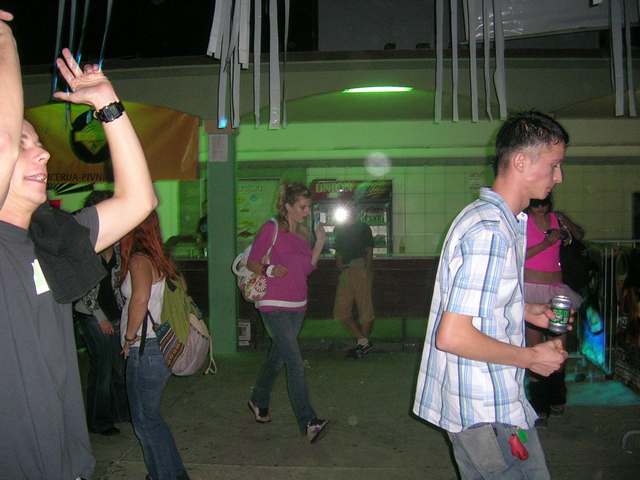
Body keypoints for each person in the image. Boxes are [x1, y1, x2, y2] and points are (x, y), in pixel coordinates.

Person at [0, 10, 157, 479]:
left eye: (38, 143)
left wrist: (108, 105)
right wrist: (5, 39)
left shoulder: (53, 236)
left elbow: (139, 200)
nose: (43, 152)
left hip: (68, 464)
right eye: (26, 143)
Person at [412, 111, 570, 479]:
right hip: (485, 409)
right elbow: (453, 336)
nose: (559, 176)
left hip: (487, 403)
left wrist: (524, 310)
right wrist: (531, 357)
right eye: (554, 165)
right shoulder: (490, 231)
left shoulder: (498, 220)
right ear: (521, 162)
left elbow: (477, 303)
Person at [246, 182, 329, 443]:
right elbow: (252, 262)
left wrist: (320, 242)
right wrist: (270, 270)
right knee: (294, 361)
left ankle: (258, 399)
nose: (307, 212)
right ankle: (309, 421)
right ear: (288, 206)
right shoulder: (271, 228)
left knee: (278, 358)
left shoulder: (302, 233)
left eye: (309, 207)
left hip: (297, 305)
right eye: (302, 207)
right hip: (273, 305)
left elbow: (308, 268)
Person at [119, 211, 189, 480]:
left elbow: (140, 299)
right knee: (151, 418)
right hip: (162, 347)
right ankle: (172, 473)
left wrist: (128, 338)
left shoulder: (139, 260)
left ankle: (164, 475)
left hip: (145, 348)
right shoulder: (163, 259)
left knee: (145, 422)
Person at [524, 193, 584, 425]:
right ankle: (539, 404)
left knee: (559, 345)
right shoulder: (522, 221)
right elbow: (518, 255)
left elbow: (579, 236)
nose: (540, 209)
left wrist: (564, 223)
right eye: (535, 205)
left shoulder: (555, 219)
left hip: (557, 290)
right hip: (531, 290)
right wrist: (546, 243)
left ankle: (557, 396)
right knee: (535, 347)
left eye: (544, 205)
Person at [74, 190, 129, 436]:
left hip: (115, 313)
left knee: (118, 367)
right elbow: (84, 287)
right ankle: (99, 421)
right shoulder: (85, 244)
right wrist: (101, 318)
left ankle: (120, 412)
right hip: (91, 314)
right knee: (103, 368)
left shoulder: (116, 241)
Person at [332, 201, 375, 358]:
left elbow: (369, 251)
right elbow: (338, 251)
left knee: (365, 309)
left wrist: (367, 271)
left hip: (359, 266)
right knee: (341, 312)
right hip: (347, 270)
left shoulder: (363, 228)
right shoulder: (339, 228)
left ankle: (362, 345)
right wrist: (339, 264)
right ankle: (364, 342)